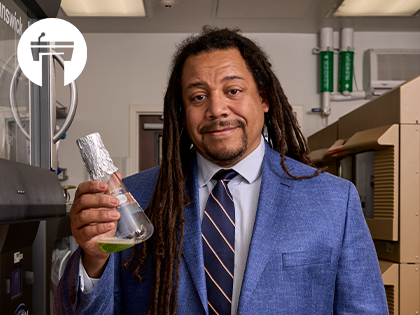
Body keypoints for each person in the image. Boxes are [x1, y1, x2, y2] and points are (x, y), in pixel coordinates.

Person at [54, 27, 388, 315]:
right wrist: (93, 261)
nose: (216, 109)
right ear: (182, 112)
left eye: (233, 91)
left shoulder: (333, 200)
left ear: (264, 98)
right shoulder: (134, 199)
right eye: (198, 97)